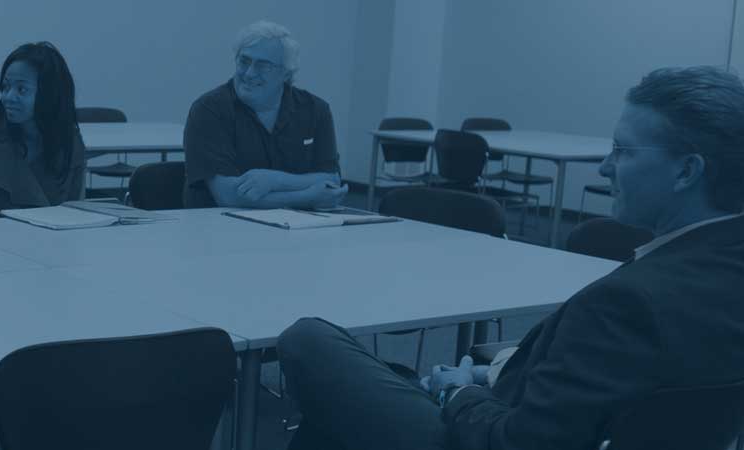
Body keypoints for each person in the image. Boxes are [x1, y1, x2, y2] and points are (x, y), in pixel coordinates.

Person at [276, 65, 744, 450]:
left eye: (621, 151)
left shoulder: (626, 304)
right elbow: (606, 381)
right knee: (346, 409)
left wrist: (460, 391)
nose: (604, 167)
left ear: (686, 171)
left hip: (476, 435)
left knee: (309, 339)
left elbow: (519, 443)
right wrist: (498, 369)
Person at [183, 20, 345, 209]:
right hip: (220, 229)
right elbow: (229, 197)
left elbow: (331, 180)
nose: (250, 73)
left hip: (297, 229)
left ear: (286, 74)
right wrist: (309, 196)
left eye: (263, 65)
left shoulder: (316, 110)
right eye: (244, 61)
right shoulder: (209, 110)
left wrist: (274, 180)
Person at [0, 42, 86, 219]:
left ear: (49, 95)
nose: (8, 97)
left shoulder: (70, 141)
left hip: (55, 243)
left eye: (21, 89)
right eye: (5, 87)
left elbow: (76, 215)